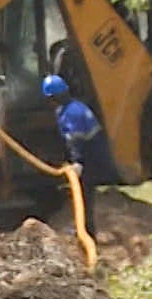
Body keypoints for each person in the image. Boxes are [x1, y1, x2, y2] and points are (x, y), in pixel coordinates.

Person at [41, 73, 115, 240]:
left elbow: (76, 140)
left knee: (84, 195)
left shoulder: (71, 113)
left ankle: (87, 233)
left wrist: (78, 162)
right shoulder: (72, 108)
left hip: (90, 159)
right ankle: (83, 229)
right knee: (82, 194)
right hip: (92, 157)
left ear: (53, 97)